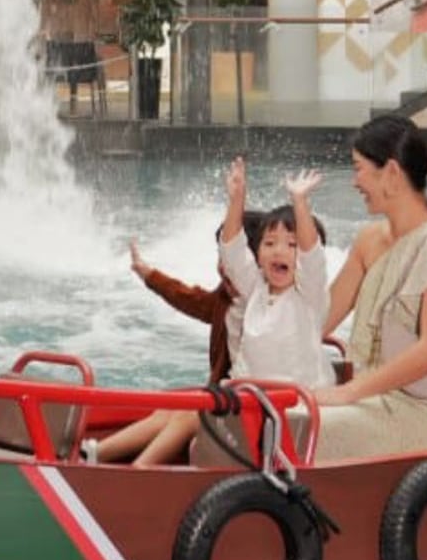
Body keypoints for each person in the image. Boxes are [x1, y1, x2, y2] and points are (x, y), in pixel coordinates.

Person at [314, 115, 427, 461]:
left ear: (391, 173)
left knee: (291, 428)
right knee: (259, 416)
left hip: (419, 413)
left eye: (359, 168)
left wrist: (349, 393)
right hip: (368, 402)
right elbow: (318, 320)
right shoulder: (368, 241)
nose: (354, 181)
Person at [91, 208, 263, 467]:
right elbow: (191, 299)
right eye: (219, 256)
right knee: (169, 410)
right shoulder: (226, 299)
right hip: (226, 395)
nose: (221, 266)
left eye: (229, 258)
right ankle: (90, 455)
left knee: (187, 414)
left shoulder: (266, 304)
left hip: (251, 403)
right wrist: (149, 275)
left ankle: (139, 472)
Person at [219, 159, 335, 390]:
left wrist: (300, 201)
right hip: (249, 394)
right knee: (180, 414)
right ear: (258, 254)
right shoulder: (256, 287)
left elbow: (311, 256)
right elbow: (232, 250)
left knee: (188, 416)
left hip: (298, 401)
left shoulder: (309, 293)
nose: (279, 251)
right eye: (270, 243)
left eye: (292, 245)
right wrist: (237, 200)